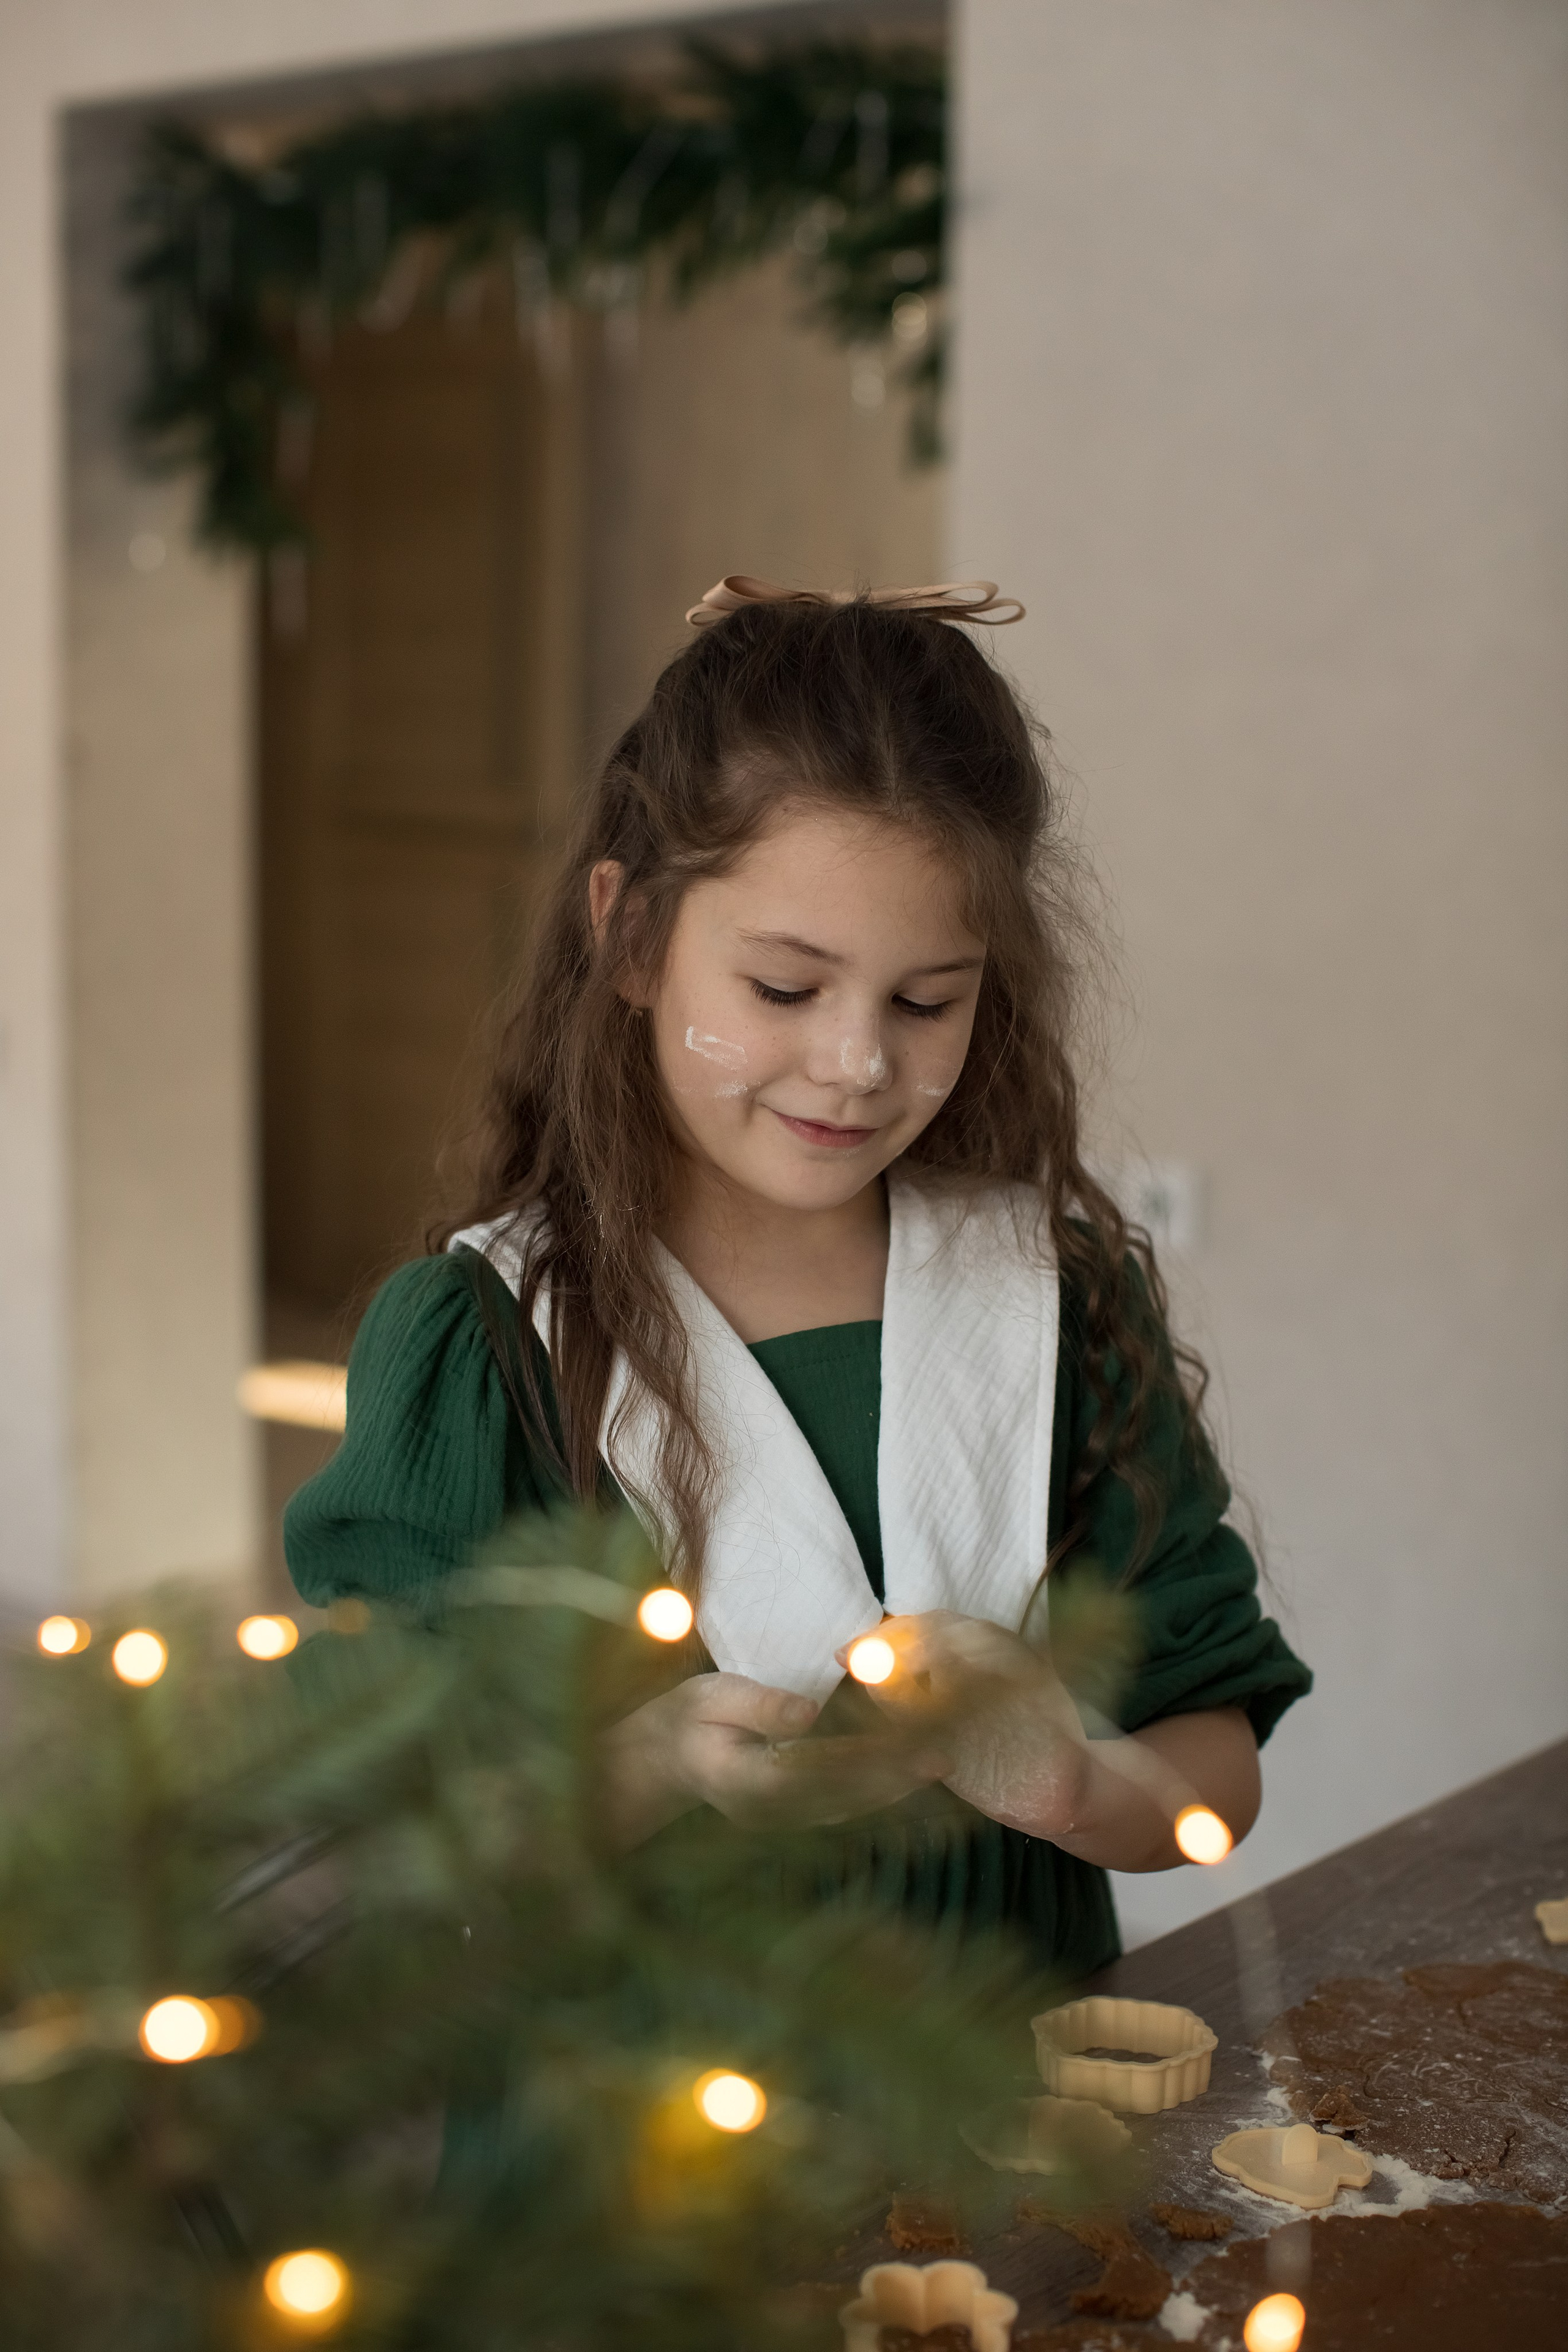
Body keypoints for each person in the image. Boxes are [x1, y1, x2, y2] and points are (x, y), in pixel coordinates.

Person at [285, 575, 1310, 1977]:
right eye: (783, 989)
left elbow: (1213, 1762)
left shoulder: (1047, 1301)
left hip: (1017, 2111)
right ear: (630, 935)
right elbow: (379, 1836)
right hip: (629, 2162)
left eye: (924, 1000)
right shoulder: (487, 1342)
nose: (857, 1063)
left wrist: (1079, 1786)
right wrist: (635, 1773)